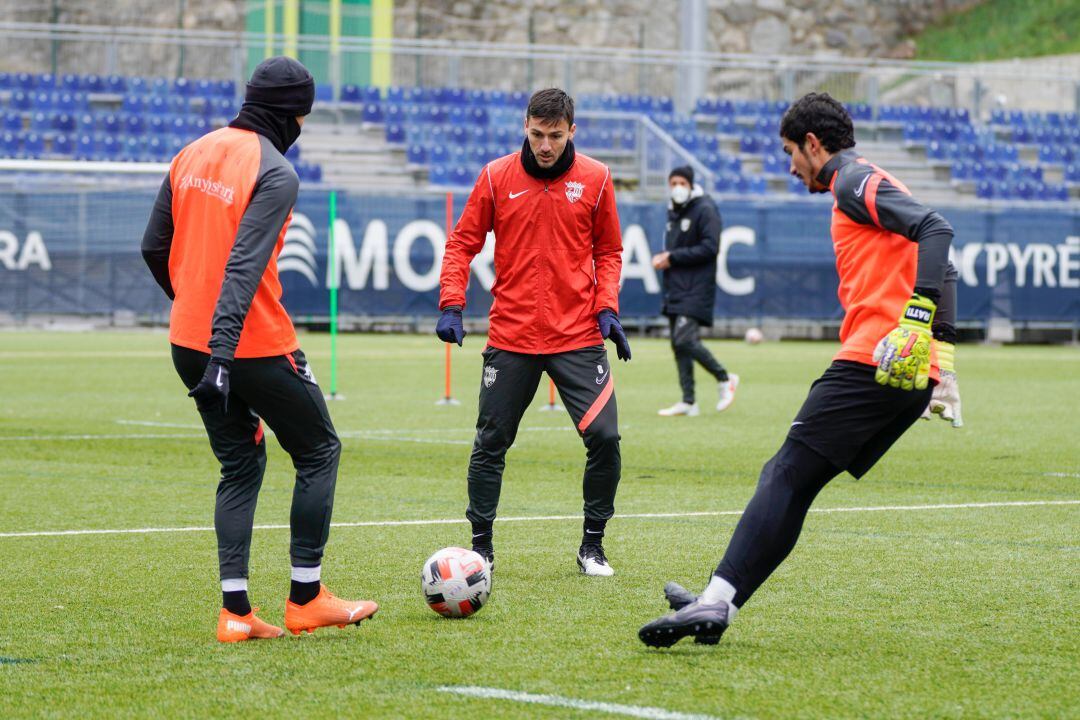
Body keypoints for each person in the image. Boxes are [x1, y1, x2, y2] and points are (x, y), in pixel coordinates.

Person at [639, 92, 961, 647]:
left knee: (785, 474)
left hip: (874, 360)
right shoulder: (875, 179)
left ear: (815, 145)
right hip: (904, 370)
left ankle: (715, 602)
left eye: (791, 151)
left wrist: (915, 316)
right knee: (795, 482)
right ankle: (718, 602)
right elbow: (944, 263)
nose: (790, 165)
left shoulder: (850, 180)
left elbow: (937, 229)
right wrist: (944, 364)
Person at [141, 57, 377, 643]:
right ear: (294, 114)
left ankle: (236, 613)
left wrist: (191, 309)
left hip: (187, 341)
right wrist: (224, 352)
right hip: (249, 343)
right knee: (320, 449)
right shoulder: (276, 171)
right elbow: (244, 269)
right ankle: (306, 599)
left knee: (240, 465)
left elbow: (152, 247)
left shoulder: (191, 153)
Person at [436, 87, 629, 577]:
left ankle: (592, 546)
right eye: (538, 134)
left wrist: (607, 309)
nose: (546, 145)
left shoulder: (598, 179)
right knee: (490, 443)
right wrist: (452, 304)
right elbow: (462, 243)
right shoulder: (497, 176)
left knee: (605, 438)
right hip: (512, 335)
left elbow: (609, 251)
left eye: (556, 136)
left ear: (572, 132)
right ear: (525, 126)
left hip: (578, 333)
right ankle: (482, 548)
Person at [652, 165, 738, 417]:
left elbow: (711, 247)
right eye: (673, 182)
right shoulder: (674, 212)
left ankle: (725, 378)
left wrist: (672, 257)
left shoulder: (705, 209)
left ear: (690, 184)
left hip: (696, 288)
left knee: (684, 339)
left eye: (681, 182)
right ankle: (689, 401)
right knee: (678, 345)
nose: (677, 187)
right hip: (675, 287)